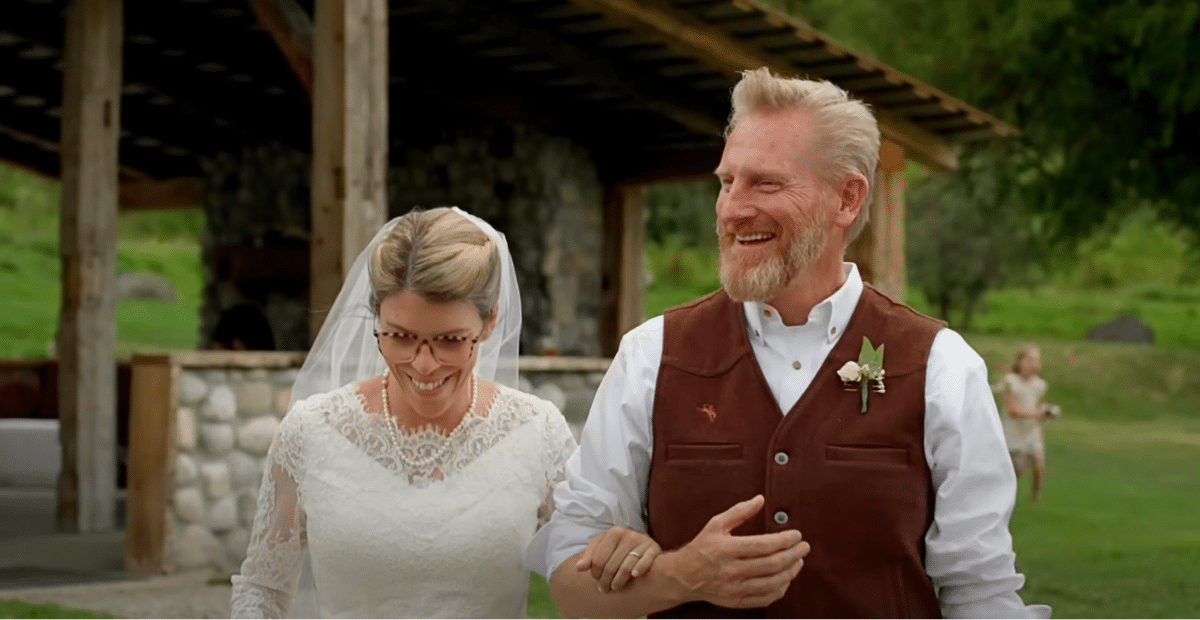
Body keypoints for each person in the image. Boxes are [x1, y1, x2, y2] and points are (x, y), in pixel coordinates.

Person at [526, 68, 1051, 618]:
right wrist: (680, 576)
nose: (731, 209)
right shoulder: (651, 356)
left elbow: (980, 592)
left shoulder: (941, 366)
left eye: (765, 183)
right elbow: (570, 584)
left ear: (846, 199)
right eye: (727, 182)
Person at [230, 207, 586, 618]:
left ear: (490, 323)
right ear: (376, 319)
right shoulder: (311, 432)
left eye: (450, 340)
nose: (424, 364)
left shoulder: (537, 434)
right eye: (400, 336)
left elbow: (588, 583)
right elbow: (262, 590)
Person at [996, 344, 1057, 502]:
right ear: (1019, 361)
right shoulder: (1011, 381)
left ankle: (1036, 495)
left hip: (1031, 431)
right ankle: (1003, 495)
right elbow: (1013, 410)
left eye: (1036, 360)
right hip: (1013, 432)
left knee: (1038, 463)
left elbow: (1041, 403)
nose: (1033, 364)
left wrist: (1047, 412)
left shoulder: (1040, 384)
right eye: (1029, 360)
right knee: (1018, 470)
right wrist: (1039, 413)